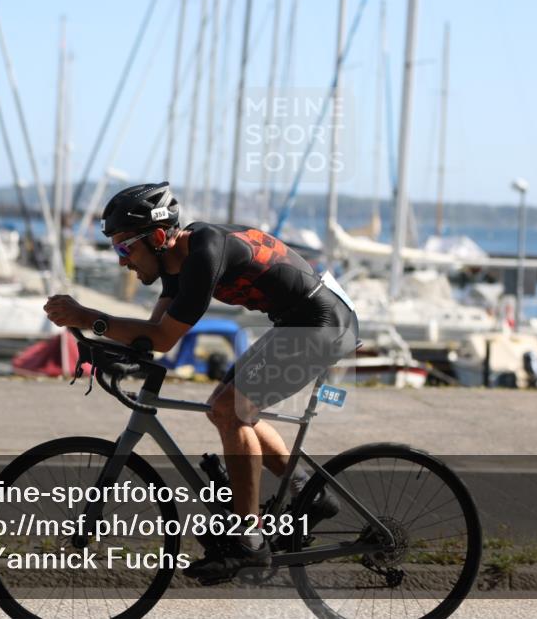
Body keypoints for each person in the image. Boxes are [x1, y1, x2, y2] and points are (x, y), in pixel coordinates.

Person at [43, 182, 356, 582]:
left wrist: (90, 317)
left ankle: (249, 541)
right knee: (225, 407)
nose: (122, 262)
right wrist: (99, 343)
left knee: (230, 410)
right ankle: (311, 493)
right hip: (299, 321)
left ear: (158, 238)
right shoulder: (175, 265)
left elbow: (162, 339)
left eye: (124, 248)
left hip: (320, 324)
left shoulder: (203, 255)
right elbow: (152, 332)